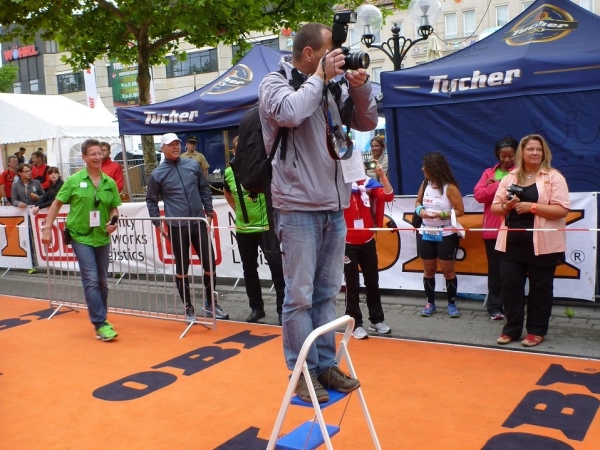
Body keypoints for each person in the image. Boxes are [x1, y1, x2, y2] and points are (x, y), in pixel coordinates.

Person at [259, 22, 378, 403]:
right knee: (299, 295)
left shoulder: (331, 86)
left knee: (327, 293)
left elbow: (367, 122)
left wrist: (359, 86)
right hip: (296, 206)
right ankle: (301, 371)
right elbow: (290, 113)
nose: (339, 59)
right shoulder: (275, 82)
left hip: (333, 204)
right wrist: (321, 78)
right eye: (331, 53)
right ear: (310, 53)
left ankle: (325, 364)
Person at [491, 134, 570, 348]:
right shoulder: (510, 177)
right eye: (530, 149)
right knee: (510, 287)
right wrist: (508, 206)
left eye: (538, 149)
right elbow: (496, 207)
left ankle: (536, 331)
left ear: (544, 153)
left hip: (543, 244)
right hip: (511, 243)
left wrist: (532, 207)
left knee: (540, 289)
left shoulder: (554, 177)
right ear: (522, 152)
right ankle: (512, 329)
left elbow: (562, 209)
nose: (535, 153)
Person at [41, 139, 121, 341]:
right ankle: (100, 323)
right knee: (91, 278)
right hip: (80, 236)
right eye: (93, 154)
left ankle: (102, 319)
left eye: (99, 153)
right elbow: (56, 204)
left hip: (102, 236)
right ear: (84, 157)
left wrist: (113, 221)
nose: (97, 157)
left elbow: (114, 208)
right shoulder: (74, 181)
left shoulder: (109, 183)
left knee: (102, 280)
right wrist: (47, 228)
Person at [146, 133, 229, 322]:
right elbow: (151, 200)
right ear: (162, 148)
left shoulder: (192, 165)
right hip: (177, 227)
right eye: (171, 144)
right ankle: (188, 308)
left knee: (209, 264)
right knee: (182, 268)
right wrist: (157, 223)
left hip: (198, 222)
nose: (175, 147)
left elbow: (204, 188)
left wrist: (209, 212)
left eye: (177, 143)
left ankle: (210, 304)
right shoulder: (157, 174)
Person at [223, 136, 285, 325]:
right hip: (244, 229)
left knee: (277, 269)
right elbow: (226, 191)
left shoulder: (263, 167)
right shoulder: (229, 172)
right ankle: (256, 308)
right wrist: (236, 209)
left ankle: (283, 310)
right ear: (234, 152)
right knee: (249, 270)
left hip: (266, 228)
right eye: (238, 150)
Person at [343, 164, 394, 340]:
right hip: (347, 242)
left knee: (373, 281)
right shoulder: (340, 185)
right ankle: (355, 323)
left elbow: (389, 196)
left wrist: (383, 176)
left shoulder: (369, 184)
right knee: (352, 285)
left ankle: (376, 320)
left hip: (367, 241)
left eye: (359, 167)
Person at [415, 152, 464, 318]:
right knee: (428, 270)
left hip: (445, 232)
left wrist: (441, 215)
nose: (423, 169)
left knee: (448, 271)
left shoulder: (450, 187)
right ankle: (430, 303)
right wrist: (420, 211)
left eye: (426, 166)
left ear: (435, 168)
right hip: (426, 232)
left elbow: (460, 210)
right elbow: (417, 202)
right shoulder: (425, 183)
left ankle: (452, 304)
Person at [473, 137, 518, 320]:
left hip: (514, 229)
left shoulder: (522, 172)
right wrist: (502, 185)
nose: (507, 159)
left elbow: (519, 193)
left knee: (514, 271)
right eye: (503, 156)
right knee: (495, 270)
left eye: (511, 155)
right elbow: (479, 195)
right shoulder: (488, 172)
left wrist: (494, 185)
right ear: (497, 155)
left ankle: (513, 305)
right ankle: (495, 307)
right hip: (492, 230)